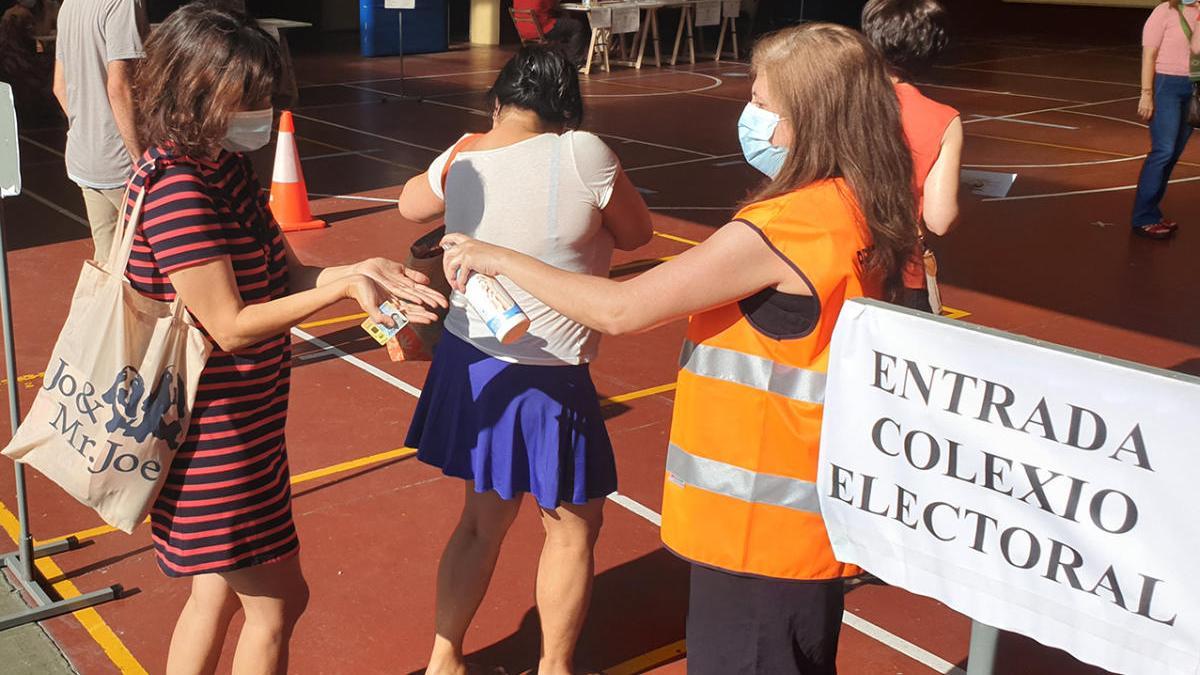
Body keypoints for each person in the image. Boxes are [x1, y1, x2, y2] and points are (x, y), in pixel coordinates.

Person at [440, 23, 917, 675]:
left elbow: (623, 307)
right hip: (812, 511)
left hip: (756, 526)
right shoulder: (862, 207)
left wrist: (498, 257)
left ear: (806, 119)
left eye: (763, 104)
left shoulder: (780, 230)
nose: (754, 120)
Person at [125, 5, 446, 673]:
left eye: (266, 95)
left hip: (249, 427)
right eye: (247, 96)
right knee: (278, 602)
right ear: (191, 89)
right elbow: (230, 325)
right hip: (212, 439)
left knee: (214, 592)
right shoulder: (179, 189)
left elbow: (285, 271)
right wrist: (334, 289)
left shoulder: (223, 170)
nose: (261, 112)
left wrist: (357, 272)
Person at [396, 45, 652, 675]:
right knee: (570, 526)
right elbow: (639, 232)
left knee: (481, 520)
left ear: (498, 100)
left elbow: (409, 206)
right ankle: (554, 668)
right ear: (566, 107)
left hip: (470, 357)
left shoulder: (463, 153)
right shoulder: (580, 151)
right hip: (547, 368)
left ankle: (444, 658)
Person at [861, 0, 962, 312]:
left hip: (838, 258)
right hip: (900, 271)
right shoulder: (944, 119)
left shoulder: (841, 101)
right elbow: (940, 219)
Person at [53, 0, 146, 261]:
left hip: (84, 157)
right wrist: (140, 158)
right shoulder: (122, 3)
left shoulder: (69, 6)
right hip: (121, 161)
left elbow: (59, 86)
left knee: (107, 262)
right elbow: (119, 86)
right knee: (158, 261)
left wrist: (87, 124)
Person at [1132, 0, 1200, 239]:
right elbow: (1149, 54)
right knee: (1163, 150)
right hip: (1166, 86)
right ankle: (1143, 218)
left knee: (1173, 154)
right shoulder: (1164, 11)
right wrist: (1146, 94)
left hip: (1193, 87)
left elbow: (1198, 48)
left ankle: (1152, 212)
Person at [0, 0, 57, 121]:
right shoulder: (19, 15)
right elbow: (32, 39)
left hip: (15, 60)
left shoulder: (14, 13)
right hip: (18, 61)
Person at [513, 0, 588, 66]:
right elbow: (554, 5)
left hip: (523, 31)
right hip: (542, 29)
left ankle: (562, 56)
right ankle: (574, 60)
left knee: (564, 19)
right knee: (577, 26)